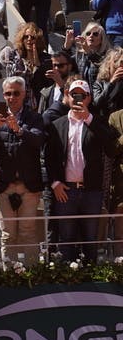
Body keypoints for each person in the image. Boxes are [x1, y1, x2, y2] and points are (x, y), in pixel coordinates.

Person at [44, 79, 118, 262]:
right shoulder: (57, 125)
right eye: (73, 94)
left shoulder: (98, 121)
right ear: (67, 96)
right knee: (66, 238)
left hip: (91, 190)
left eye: (82, 95)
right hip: (65, 190)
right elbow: (49, 157)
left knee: (90, 238)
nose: (77, 99)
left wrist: (89, 119)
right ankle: (70, 276)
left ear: (89, 98)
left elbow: (111, 147)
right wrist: (55, 183)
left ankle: (91, 277)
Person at [0, 76, 45, 264]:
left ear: (24, 94)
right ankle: (8, 276)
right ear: (3, 95)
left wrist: (19, 130)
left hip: (28, 185)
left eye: (16, 93)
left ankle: (33, 275)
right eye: (8, 93)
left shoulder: (34, 117)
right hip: (4, 185)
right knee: (7, 234)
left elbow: (39, 141)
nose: (12, 97)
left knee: (28, 232)